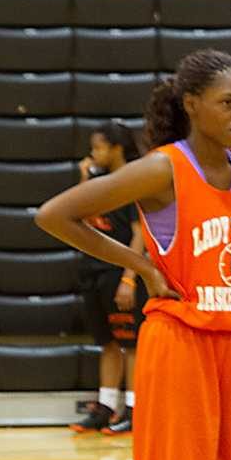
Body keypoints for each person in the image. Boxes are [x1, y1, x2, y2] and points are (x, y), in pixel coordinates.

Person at [36, 49, 231, 460]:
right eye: (227, 103)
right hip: (181, 343)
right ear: (192, 104)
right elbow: (54, 215)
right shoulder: (163, 169)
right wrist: (141, 267)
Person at [69, 121, 148, 436]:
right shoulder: (97, 181)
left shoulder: (133, 182)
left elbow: (140, 234)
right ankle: (105, 406)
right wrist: (84, 178)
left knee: (132, 344)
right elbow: (79, 217)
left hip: (119, 274)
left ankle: (133, 408)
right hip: (94, 271)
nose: (93, 153)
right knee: (108, 342)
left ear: (116, 148)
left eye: (98, 147)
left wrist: (129, 278)